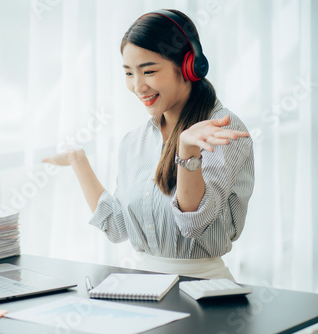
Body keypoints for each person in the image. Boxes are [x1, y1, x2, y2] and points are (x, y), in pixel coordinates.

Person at [42, 9, 254, 280]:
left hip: (204, 289)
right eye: (129, 73)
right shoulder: (134, 142)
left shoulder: (221, 128)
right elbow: (119, 227)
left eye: (149, 71)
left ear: (190, 66)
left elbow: (195, 223)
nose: (138, 86)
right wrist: (77, 161)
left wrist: (187, 152)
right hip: (143, 286)